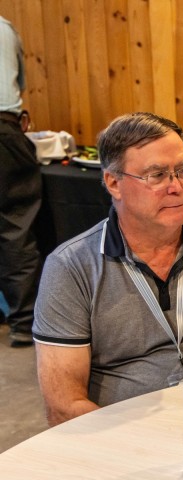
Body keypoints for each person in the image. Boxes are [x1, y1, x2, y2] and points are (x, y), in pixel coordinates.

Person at [33, 112, 183, 425]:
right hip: (125, 436)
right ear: (113, 183)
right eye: (157, 175)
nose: (177, 187)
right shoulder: (70, 269)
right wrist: (142, 443)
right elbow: (64, 405)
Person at [0, 15, 41, 347]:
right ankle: (24, 323)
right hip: (4, 131)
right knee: (15, 226)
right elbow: (20, 83)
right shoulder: (5, 28)